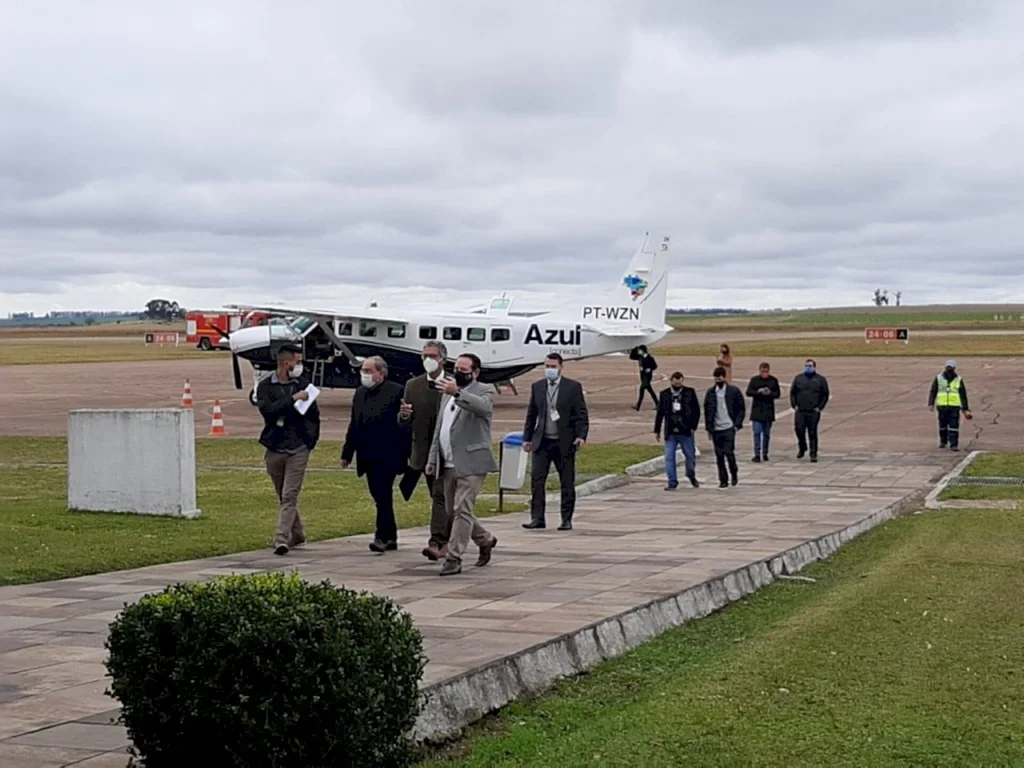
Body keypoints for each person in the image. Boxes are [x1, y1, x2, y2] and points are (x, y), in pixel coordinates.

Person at [425, 353, 499, 576]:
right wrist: (432, 459)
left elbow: (484, 408)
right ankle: (485, 539)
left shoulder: (484, 390)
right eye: (456, 367)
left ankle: (454, 557)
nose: (458, 372)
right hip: (447, 461)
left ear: (475, 372)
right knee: (453, 511)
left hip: (472, 462)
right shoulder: (446, 393)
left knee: (462, 509)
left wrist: (457, 392)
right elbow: (440, 428)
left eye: (464, 370)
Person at [256, 344, 320, 556]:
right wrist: (292, 400)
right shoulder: (266, 386)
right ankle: (298, 533)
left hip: (299, 448)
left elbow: (313, 416)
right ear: (286, 364)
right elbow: (268, 411)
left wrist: (310, 440)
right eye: (297, 362)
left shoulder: (304, 384)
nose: (300, 366)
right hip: (275, 447)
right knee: (282, 493)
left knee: (289, 495)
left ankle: (281, 539)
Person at [340, 356, 409, 553]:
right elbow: (355, 424)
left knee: (382, 494)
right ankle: (390, 535)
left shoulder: (396, 391)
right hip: (366, 453)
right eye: (363, 370)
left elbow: (404, 424)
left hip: (388, 454)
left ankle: (382, 536)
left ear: (381, 373)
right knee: (380, 496)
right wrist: (347, 452)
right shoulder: (360, 393)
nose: (364, 374)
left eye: (369, 371)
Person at [521, 353, 589, 530]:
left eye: (553, 366)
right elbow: (531, 414)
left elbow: (581, 415)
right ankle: (537, 518)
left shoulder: (572, 387)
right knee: (537, 480)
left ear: (560, 367)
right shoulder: (538, 387)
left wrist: (581, 435)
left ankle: (566, 519)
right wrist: (527, 438)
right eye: (547, 366)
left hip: (564, 442)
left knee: (566, 482)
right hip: (542, 441)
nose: (549, 369)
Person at [398, 340, 451, 561]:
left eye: (432, 355)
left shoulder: (452, 384)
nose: (428, 360)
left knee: (441, 497)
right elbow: (404, 422)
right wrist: (404, 415)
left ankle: (438, 541)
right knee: (441, 499)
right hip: (422, 453)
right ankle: (477, 537)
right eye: (424, 356)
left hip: (446, 453)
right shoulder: (413, 385)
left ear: (442, 359)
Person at [653, 371, 701, 489]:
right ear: (671, 381)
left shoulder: (690, 392)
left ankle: (690, 474)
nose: (677, 384)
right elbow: (660, 413)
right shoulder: (664, 394)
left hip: (686, 431)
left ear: (682, 381)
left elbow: (697, 411)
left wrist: (693, 426)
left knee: (690, 456)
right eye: (675, 382)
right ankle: (672, 482)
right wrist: (657, 429)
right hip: (671, 431)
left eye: (680, 382)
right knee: (669, 457)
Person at [703, 366, 745, 489]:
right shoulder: (710, 393)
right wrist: (709, 429)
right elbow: (707, 411)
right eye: (716, 378)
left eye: (720, 377)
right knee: (719, 455)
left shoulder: (733, 391)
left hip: (729, 427)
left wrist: (736, 425)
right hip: (716, 429)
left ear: (724, 377)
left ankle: (734, 472)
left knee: (729, 452)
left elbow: (741, 408)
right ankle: (723, 480)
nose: (718, 380)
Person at [790, 358, 830, 462]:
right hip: (801, 410)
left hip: (813, 411)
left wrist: (820, 407)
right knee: (799, 430)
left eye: (810, 366)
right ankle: (802, 447)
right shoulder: (798, 378)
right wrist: (794, 405)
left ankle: (813, 453)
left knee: (812, 432)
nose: (808, 368)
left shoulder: (820, 380)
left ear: (814, 367)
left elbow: (825, 394)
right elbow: (793, 393)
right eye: (806, 366)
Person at [928, 359, 971, 451]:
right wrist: (931, 403)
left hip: (954, 407)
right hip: (942, 406)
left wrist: (965, 409)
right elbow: (933, 391)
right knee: (942, 426)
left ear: (954, 368)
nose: (949, 368)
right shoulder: (939, 378)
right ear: (945, 367)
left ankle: (954, 444)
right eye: (948, 366)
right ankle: (943, 441)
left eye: (950, 367)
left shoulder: (958, 379)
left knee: (954, 427)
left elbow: (963, 395)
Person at [745, 361, 781, 462]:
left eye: (766, 371)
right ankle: (757, 453)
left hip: (768, 411)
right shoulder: (754, 380)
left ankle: (765, 452)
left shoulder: (773, 380)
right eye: (763, 371)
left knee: (766, 434)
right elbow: (748, 392)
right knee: (756, 432)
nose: (764, 373)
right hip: (757, 411)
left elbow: (777, 394)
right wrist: (758, 392)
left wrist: (769, 393)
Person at [629, 344, 658, 410]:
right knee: (650, 391)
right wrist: (634, 349)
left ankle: (638, 406)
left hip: (647, 377)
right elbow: (631, 357)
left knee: (641, 389)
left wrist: (650, 369)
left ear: (643, 351)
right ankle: (657, 403)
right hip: (642, 376)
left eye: (639, 350)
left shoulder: (650, 358)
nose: (638, 351)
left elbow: (655, 366)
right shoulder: (640, 357)